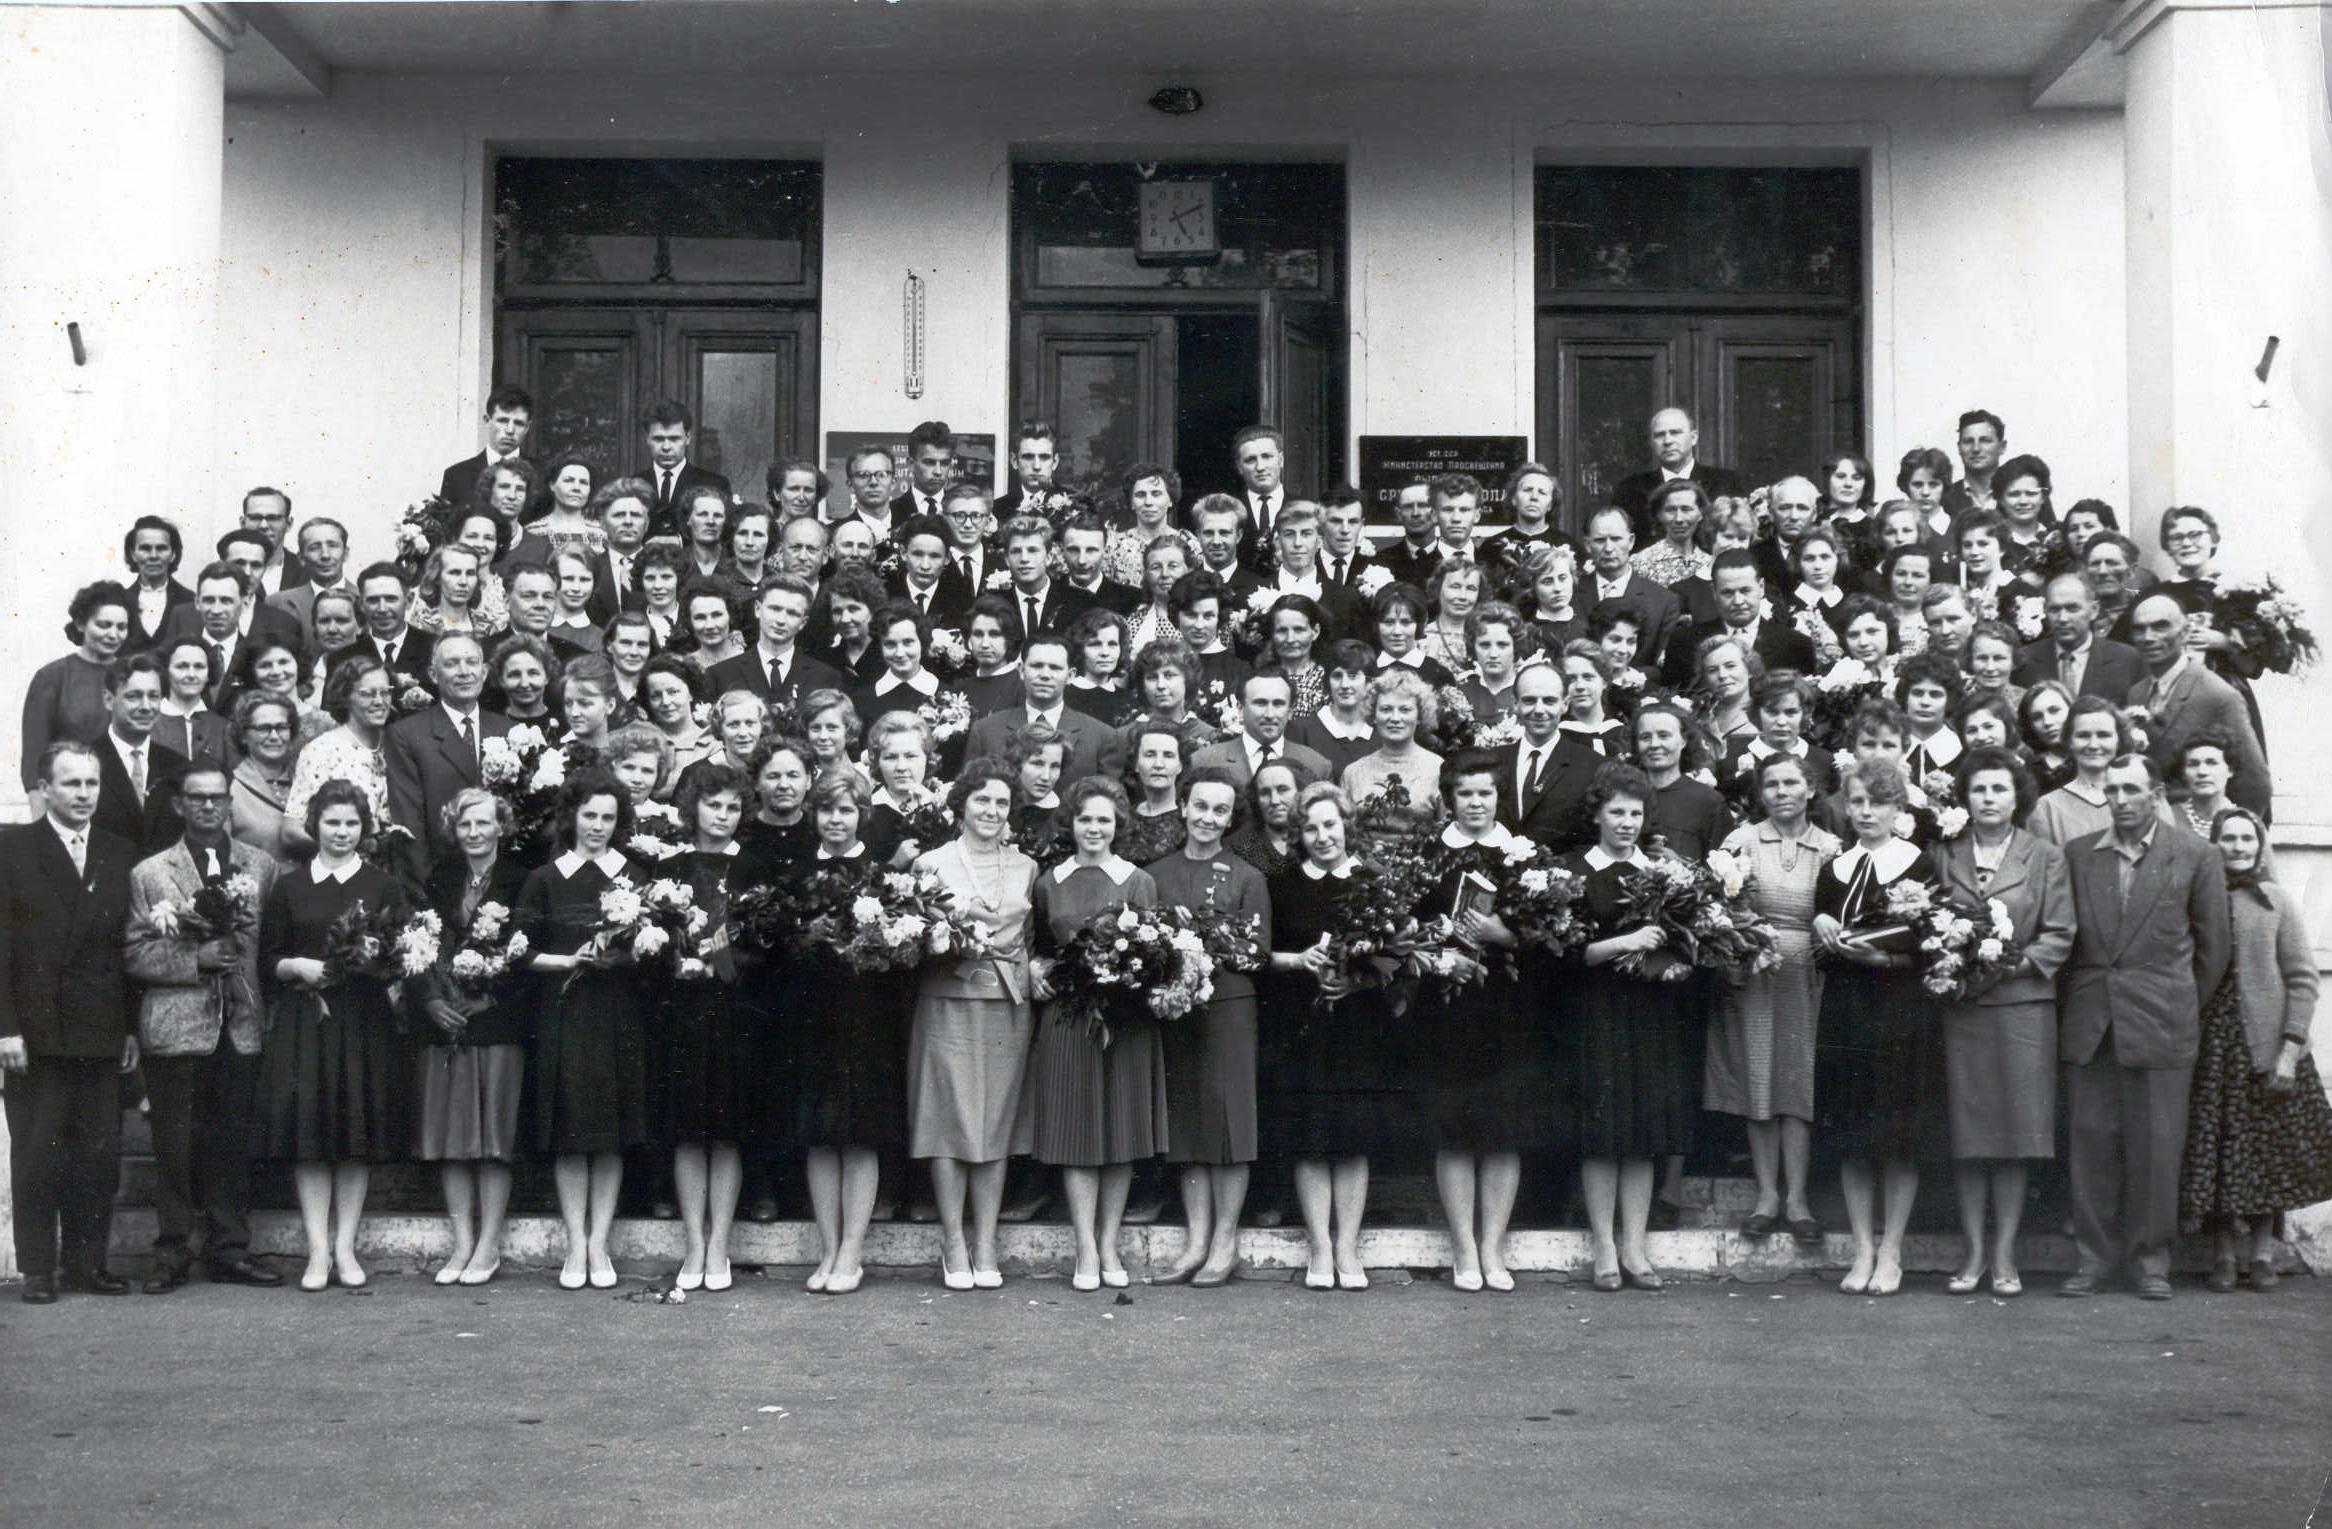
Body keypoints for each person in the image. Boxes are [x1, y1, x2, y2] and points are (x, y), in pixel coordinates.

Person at [2059, 755, 2230, 1300]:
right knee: (2090, 1145)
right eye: (2111, 791)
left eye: (2132, 789)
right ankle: (2092, 1259)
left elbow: (2214, 950)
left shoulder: (2195, 856)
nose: (2121, 800)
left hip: (2162, 1022)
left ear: (2156, 794)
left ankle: (2150, 1261)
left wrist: (2173, 1000)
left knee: (2157, 1150)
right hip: (2093, 1024)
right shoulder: (2079, 855)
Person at [123, 764, 282, 1293]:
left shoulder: (260, 867)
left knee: (232, 1144)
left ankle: (229, 1249)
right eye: (197, 799)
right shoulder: (151, 873)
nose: (209, 807)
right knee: (174, 1146)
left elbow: (268, 949)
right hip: (176, 1029)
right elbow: (134, 952)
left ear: (231, 803)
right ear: (179, 805)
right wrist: (196, 959)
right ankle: (172, 1252)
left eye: (218, 798)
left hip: (239, 1026)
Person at [1932, 749, 2076, 1299]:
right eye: (1978, 790)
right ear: (1964, 799)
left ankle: (2005, 1253)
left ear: (2018, 796)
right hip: (1964, 1009)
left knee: (2015, 1135)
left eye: (1999, 789)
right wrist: (1957, 959)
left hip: (2021, 1011)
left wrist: (2009, 963)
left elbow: (2060, 932)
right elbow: (1929, 919)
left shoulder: (2044, 857)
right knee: (1970, 1135)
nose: (1988, 799)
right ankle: (1972, 1252)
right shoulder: (1946, 854)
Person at [256, 779, 410, 1292]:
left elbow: (401, 957)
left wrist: (377, 962)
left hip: (362, 1019)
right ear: (314, 824)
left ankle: (345, 1245)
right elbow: (267, 960)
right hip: (307, 1022)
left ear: (364, 830)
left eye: (351, 824)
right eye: (332, 822)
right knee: (311, 1136)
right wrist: (297, 965)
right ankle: (317, 1250)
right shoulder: (290, 885)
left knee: (353, 1136)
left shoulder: (382, 885)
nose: (341, 833)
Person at [0, 742, 138, 1304]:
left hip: (101, 1028)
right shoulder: (11, 849)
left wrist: (129, 1027)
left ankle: (87, 1263)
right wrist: (4, 1027)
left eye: (92, 784)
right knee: (36, 1151)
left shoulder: (119, 852)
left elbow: (126, 950)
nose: (84, 795)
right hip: (34, 1031)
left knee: (98, 1154)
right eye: (72, 784)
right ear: (45, 788)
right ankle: (38, 1267)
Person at [1024, 776, 1167, 1291]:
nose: (1094, 828)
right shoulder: (1049, 880)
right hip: (1068, 1017)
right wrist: (1038, 970)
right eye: (1085, 818)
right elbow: (1037, 945)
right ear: (1072, 823)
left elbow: (1154, 952)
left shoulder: (1136, 879)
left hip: (1124, 1019)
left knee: (1120, 1132)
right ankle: (1085, 1245)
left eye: (1104, 819)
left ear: (1118, 825)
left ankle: (1109, 1243)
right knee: (1079, 1133)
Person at [2180, 807, 2332, 1292]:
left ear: (2260, 844)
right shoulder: (2198, 900)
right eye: (2229, 838)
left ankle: (2262, 1251)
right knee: (2220, 1150)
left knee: (2269, 1153)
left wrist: (2290, 1048)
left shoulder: (2277, 902)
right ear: (2215, 844)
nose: (2239, 847)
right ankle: (2224, 1254)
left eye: (2248, 838)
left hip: (2266, 1045)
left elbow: (2304, 980)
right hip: (2214, 1046)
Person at [1262, 783, 1406, 1290]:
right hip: (1300, 1023)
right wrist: (1299, 962)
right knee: (1310, 1136)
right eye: (1310, 827)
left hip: (1357, 1024)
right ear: (1298, 834)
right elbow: (1261, 953)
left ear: (1347, 825)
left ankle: (1348, 1245)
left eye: (1330, 825)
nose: (1322, 836)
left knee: (1352, 1136)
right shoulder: (1281, 883)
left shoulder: (1372, 880)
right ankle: (1319, 1248)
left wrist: (1359, 978)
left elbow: (1399, 955)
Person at [1562, 763, 1697, 1290]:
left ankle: (1635, 1246)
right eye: (1616, 811)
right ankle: (1603, 1246)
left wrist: (1683, 963)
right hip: (1597, 1013)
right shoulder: (1574, 871)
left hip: (1652, 1013)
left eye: (1635, 813)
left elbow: (1689, 941)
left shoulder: (1664, 871)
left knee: (1642, 1134)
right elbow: (1563, 954)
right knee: (1603, 1132)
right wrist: (1623, 943)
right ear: (1596, 814)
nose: (1625, 822)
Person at [515, 768, 650, 1290]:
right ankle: (575, 1243)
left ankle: (600, 1243)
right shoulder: (545, 877)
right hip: (565, 1011)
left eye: (608, 817)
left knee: (609, 1134)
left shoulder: (633, 874)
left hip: (618, 1013)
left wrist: (624, 955)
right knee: (572, 1133)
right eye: (589, 815)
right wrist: (565, 960)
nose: (597, 826)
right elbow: (518, 951)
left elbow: (651, 946)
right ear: (571, 817)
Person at [1810, 759, 1938, 1296]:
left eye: (1878, 803)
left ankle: (1893, 1250)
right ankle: (1862, 1247)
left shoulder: (1918, 864)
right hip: (1845, 1010)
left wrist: (1883, 960)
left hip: (1897, 1010)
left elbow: (1930, 944)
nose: (1866, 813)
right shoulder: (1837, 867)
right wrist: (1820, 923)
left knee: (1896, 1136)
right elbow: (1823, 933)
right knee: (1852, 1135)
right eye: (1857, 802)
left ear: (1897, 808)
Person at [911, 761, 1041, 1289]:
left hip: (1007, 1004)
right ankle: (953, 1241)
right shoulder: (931, 863)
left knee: (997, 1123)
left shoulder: (1026, 866)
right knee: (949, 1119)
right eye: (982, 801)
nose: (991, 811)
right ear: (961, 804)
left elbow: (1029, 939)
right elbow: (915, 937)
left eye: (1002, 803)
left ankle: (986, 1241)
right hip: (948, 999)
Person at [1422, 753, 1546, 1293]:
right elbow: (1408, 928)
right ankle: (1464, 1249)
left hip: (1506, 1005)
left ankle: (1494, 1246)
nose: (1476, 803)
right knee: (1454, 1128)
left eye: (1486, 793)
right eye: (1466, 793)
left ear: (1500, 797)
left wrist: (1504, 936)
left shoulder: (1523, 857)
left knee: (1502, 1129)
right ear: (1450, 797)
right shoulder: (1430, 854)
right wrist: (1436, 954)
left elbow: (1550, 936)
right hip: (1448, 1006)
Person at [785, 767, 911, 1294]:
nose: (835, 820)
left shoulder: (881, 874)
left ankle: (852, 1252)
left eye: (846, 810)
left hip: (866, 1014)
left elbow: (903, 952)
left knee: (860, 1133)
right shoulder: (794, 873)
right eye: (826, 810)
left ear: (861, 815)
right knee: (820, 1135)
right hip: (813, 1013)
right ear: (813, 815)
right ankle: (828, 1246)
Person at [1706, 754, 1839, 1247]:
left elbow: (1839, 913)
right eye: (1772, 784)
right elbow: (1715, 911)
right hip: (1753, 972)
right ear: (1760, 794)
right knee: (1758, 1082)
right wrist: (1740, 950)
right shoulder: (1739, 842)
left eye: (1792, 782)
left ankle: (1799, 1200)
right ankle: (1766, 1197)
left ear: (1811, 790)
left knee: (1797, 1083)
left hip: (1809, 975)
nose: (1782, 791)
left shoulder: (1831, 848)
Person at [1147, 767, 1269, 1287]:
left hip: (1227, 1006)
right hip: (1178, 1010)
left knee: (1229, 1121)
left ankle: (1225, 1241)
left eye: (1220, 810)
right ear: (1182, 805)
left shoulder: (1247, 875)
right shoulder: (1154, 872)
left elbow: (1257, 952)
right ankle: (1196, 1238)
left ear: (1230, 818)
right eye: (1200, 806)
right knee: (1188, 1123)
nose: (1207, 818)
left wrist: (1210, 946)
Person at [409, 788, 529, 1286]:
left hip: (497, 1022)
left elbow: (527, 952)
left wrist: (489, 998)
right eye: (465, 826)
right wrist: (433, 1000)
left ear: (501, 825)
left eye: (483, 823)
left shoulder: (521, 880)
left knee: (493, 1139)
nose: (475, 834)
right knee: (453, 1138)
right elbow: (419, 940)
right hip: (446, 1022)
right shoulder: (439, 877)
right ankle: (461, 1242)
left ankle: (489, 1244)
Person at [649, 761, 754, 1293]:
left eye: (734, 807)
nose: (724, 815)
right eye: (714, 805)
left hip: (735, 1009)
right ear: (694, 808)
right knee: (690, 1129)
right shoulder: (668, 866)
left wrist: (727, 959)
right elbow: (648, 938)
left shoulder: (752, 865)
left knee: (728, 1131)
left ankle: (720, 1246)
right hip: (684, 1008)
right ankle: (694, 1242)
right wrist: (678, 959)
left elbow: (765, 939)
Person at [2124, 593, 2271, 817]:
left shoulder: (2218, 694)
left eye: (2160, 627)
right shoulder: (2137, 692)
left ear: (2184, 632)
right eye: (2139, 629)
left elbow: (2255, 785)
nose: (2148, 637)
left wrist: (2227, 838)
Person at [385, 633, 510, 891]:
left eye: (472, 662)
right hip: (439, 883)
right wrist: (430, 892)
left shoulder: (511, 731)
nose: (464, 672)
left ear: (485, 672)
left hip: (504, 883)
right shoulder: (408, 735)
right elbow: (409, 827)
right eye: (452, 663)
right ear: (433, 674)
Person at [965, 633, 1122, 786]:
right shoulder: (985, 732)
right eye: (1037, 666)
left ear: (1071, 675)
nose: (1045, 675)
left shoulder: (1102, 737)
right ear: (1021, 670)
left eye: (1055, 668)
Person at [22, 580, 133, 797]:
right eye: (103, 625)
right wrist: (41, 823)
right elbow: (34, 759)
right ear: (81, 624)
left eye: (121, 627)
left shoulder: (131, 675)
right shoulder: (52, 676)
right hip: (70, 797)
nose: (113, 634)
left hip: (124, 800)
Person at [1659, 549, 1812, 688]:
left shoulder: (1796, 645)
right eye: (1728, 593)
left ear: (1761, 587)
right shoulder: (1684, 643)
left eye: (1745, 591)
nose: (1738, 601)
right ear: (1714, 592)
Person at [90, 651, 188, 857]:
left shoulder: (179, 767)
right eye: (133, 696)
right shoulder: (85, 761)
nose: (146, 707)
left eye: (153, 696)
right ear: (109, 699)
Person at [706, 574, 846, 710]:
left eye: (792, 613)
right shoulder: (721, 675)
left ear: (803, 622)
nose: (781, 620)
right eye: (775, 609)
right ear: (757, 609)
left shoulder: (826, 678)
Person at [1609, 407, 1744, 541]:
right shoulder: (1630, 489)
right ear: (1651, 443)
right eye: (1659, 435)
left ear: (1693, 438)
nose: (1667, 441)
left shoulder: (1725, 482)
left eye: (1675, 433)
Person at [2028, 696, 2148, 846]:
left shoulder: (2146, 798)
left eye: (2103, 735)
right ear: (2069, 741)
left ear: (2118, 740)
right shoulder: (2046, 809)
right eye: (2083, 736)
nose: (2093, 745)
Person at [2013, 573, 2145, 701]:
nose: (2063, 618)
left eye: (2072, 608)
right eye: (2054, 609)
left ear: (2094, 610)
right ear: (2045, 611)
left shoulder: (2127, 659)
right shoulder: (2025, 660)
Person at [1340, 669, 1444, 812]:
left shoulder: (1438, 769)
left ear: (1419, 716)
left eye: (1405, 710)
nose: (1395, 718)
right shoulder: (1353, 773)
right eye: (1386, 709)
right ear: (1374, 715)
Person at [640, 401, 733, 539]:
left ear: (688, 438)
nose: (666, 447)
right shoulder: (632, 485)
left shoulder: (714, 484)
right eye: (658, 439)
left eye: (674, 439)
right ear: (647, 439)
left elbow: (723, 537)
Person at [1286, 641, 1378, 780]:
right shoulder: (1301, 730)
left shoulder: (1380, 730)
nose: (1344, 685)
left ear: (1369, 683)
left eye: (1353, 676)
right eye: (1337, 676)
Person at [227, 694, 302, 862]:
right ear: (243, 736)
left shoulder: (307, 782)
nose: (274, 736)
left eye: (281, 727)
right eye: (263, 728)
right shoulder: (230, 788)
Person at [437, 383, 535, 508]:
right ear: (487, 420)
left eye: (519, 423)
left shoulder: (542, 475)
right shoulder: (456, 476)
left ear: (527, 427)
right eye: (503, 420)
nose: (510, 430)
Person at [1121, 721, 1190, 864]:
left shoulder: (1189, 820)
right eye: (1150, 754)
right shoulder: (1122, 818)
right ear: (1136, 764)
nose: (1159, 764)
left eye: (1168, 755)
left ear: (1180, 766)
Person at [124, 514, 194, 651]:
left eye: (161, 548)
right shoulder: (120, 601)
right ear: (133, 554)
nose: (153, 556)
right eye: (145, 548)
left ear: (173, 554)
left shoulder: (190, 600)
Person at [1632, 479, 1715, 588]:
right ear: (1659, 515)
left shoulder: (1710, 564)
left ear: (1700, 514)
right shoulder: (1640, 563)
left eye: (1686, 509)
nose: (1678, 519)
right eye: (1670, 510)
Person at [1943, 408, 2006, 522]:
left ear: (2002, 447)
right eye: (1968, 441)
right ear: (1959, 448)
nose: (1976, 448)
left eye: (1985, 440)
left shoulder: (2024, 496)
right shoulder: (1944, 498)